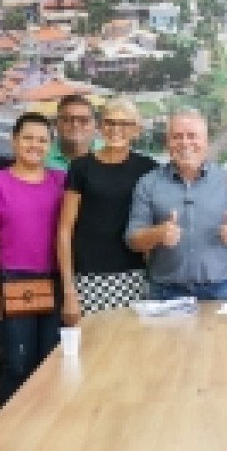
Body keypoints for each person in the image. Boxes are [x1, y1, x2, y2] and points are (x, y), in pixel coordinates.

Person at [0, 112, 65, 402]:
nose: (35, 145)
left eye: (42, 140)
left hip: (55, 280)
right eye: (28, 138)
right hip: (13, 280)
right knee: (17, 363)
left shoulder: (61, 182)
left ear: (50, 145)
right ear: (14, 141)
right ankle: (13, 426)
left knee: (52, 362)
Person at [126, 110, 227, 300]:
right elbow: (133, 240)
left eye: (192, 136)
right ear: (167, 143)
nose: (185, 143)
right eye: (177, 137)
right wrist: (158, 234)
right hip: (165, 292)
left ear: (206, 142)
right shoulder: (148, 183)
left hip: (219, 290)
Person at [57, 99, 157, 321]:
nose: (116, 129)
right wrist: (69, 291)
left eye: (124, 124)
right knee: (92, 342)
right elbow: (64, 230)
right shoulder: (81, 167)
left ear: (136, 130)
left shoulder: (148, 168)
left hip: (134, 276)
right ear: (100, 126)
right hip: (87, 277)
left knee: (130, 340)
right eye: (110, 122)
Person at [45, 94, 102, 171]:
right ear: (55, 123)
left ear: (96, 124)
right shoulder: (41, 156)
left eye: (84, 120)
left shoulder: (112, 152)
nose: (75, 125)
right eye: (67, 119)